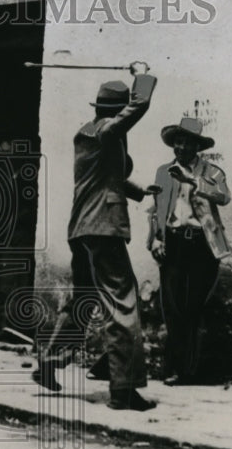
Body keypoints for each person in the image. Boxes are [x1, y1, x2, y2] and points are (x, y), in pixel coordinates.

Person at [34, 65, 158, 411]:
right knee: (123, 301)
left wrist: (138, 190)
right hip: (103, 228)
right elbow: (139, 107)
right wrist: (143, 75)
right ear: (116, 112)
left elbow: (105, 177)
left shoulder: (89, 130)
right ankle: (123, 389)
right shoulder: (106, 129)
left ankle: (49, 361)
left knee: (84, 299)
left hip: (81, 228)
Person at [147, 117, 232, 385]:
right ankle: (173, 369)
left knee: (192, 307)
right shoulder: (164, 171)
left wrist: (193, 181)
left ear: (197, 146)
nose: (180, 147)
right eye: (177, 142)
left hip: (201, 245)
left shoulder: (212, 172)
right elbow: (157, 209)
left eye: (186, 142)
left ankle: (187, 371)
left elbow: (224, 196)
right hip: (173, 243)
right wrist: (156, 240)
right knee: (171, 308)